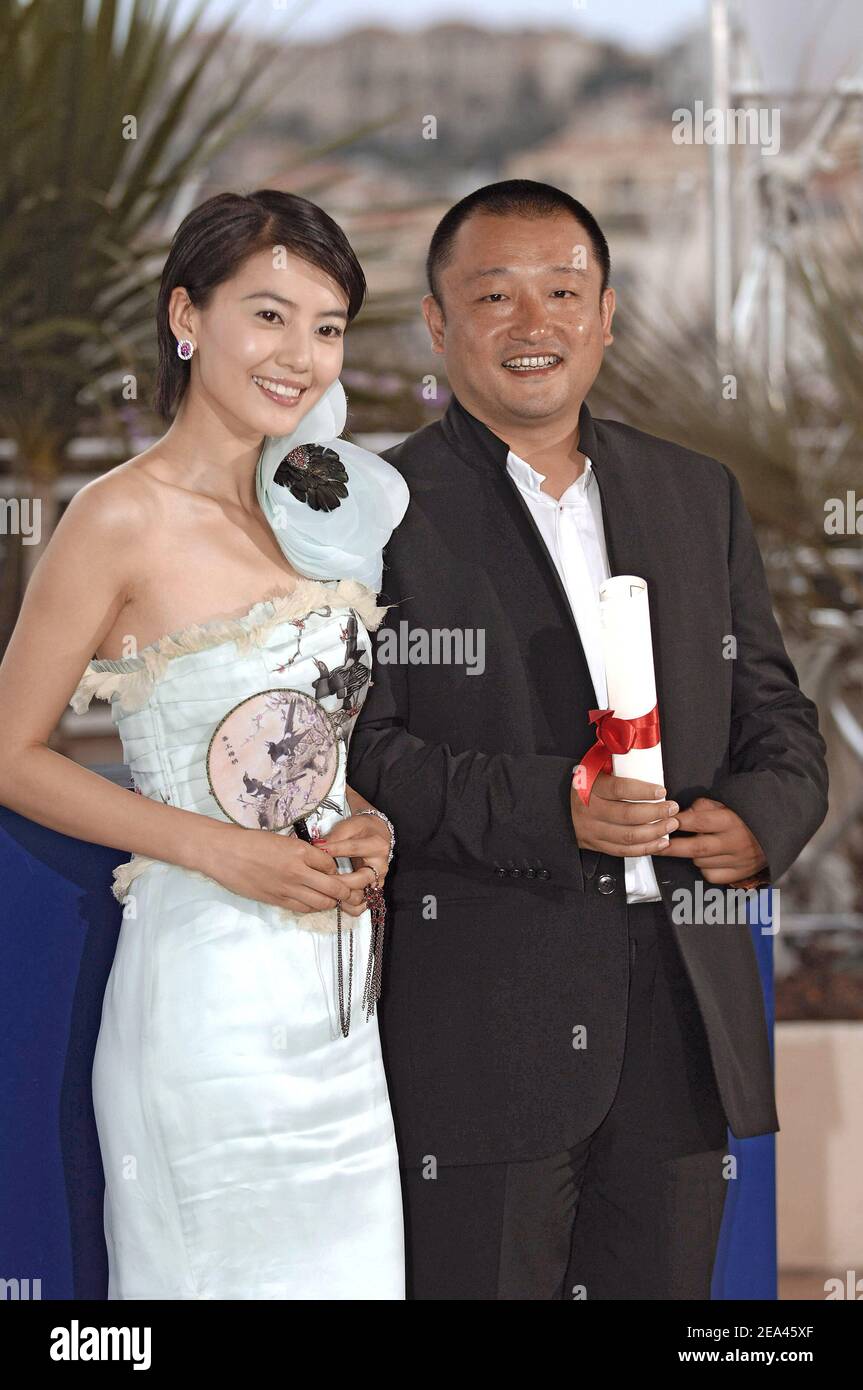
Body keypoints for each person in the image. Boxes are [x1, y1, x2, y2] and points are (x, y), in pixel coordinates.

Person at [347, 179, 829, 1300]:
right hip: (482, 1025)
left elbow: (778, 722)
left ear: (605, 313)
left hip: (679, 1013)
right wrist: (548, 806)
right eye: (495, 297)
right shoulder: (378, 510)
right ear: (436, 323)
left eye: (563, 292)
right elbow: (368, 752)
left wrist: (759, 822)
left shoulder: (695, 494)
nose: (534, 324)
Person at [0, 189, 410, 1300]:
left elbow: (298, 740)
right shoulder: (115, 516)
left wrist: (357, 810)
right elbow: (11, 751)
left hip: (332, 1007)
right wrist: (217, 851)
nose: (302, 355)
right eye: (269, 316)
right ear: (186, 316)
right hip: (204, 1006)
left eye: (327, 327)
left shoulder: (315, 515)